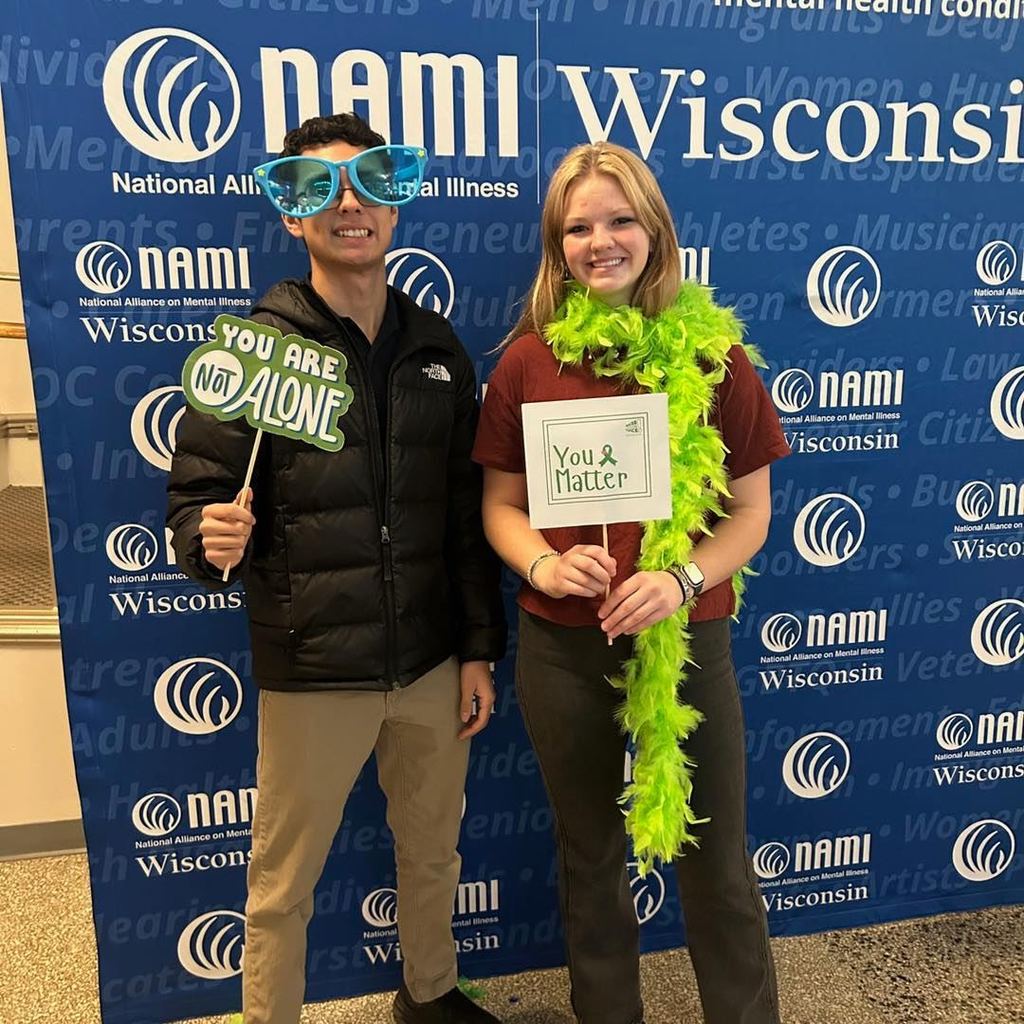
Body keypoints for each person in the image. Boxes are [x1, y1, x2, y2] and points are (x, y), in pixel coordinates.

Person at [166, 112, 506, 1024]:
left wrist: (476, 650)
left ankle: (429, 996)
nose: (349, 205)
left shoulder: (437, 350)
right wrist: (208, 539)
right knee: (283, 884)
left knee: (434, 852)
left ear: (395, 207)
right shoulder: (257, 351)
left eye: (369, 185)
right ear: (292, 214)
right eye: (321, 189)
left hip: (432, 664)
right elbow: (195, 499)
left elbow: (466, 525)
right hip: (314, 669)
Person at [472, 141, 790, 1024]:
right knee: (590, 857)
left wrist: (682, 579)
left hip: (688, 645)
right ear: (556, 247)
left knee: (717, 861)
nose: (600, 241)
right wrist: (543, 561)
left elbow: (753, 515)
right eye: (578, 227)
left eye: (619, 220)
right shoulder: (526, 364)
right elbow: (500, 504)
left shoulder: (716, 358)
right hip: (562, 649)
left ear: (654, 231)